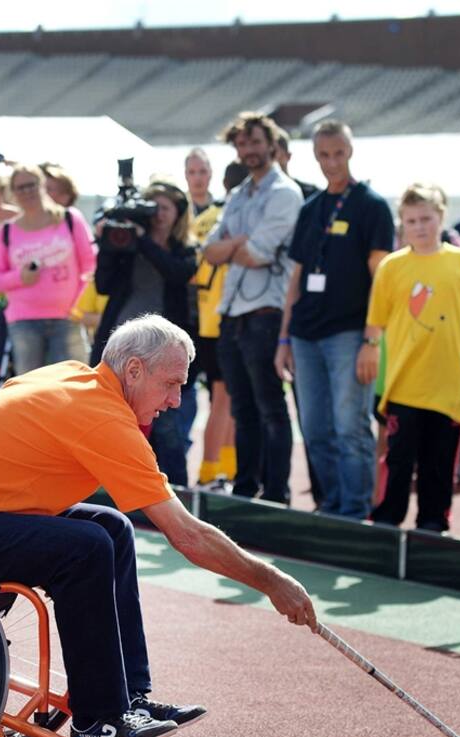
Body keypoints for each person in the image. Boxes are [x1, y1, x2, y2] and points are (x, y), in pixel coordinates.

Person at [0, 314, 318, 737]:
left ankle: (130, 699)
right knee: (84, 547)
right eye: (171, 383)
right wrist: (270, 581)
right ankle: (99, 719)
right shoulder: (101, 416)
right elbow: (188, 536)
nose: (177, 400)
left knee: (111, 526)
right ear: (133, 370)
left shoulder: (78, 378)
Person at [276, 120, 395, 521]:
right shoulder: (311, 208)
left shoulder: (373, 206)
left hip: (350, 333)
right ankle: (330, 507)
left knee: (350, 428)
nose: (331, 162)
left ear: (350, 151)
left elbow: (382, 277)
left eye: (338, 153)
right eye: (324, 155)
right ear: (314, 155)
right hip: (305, 335)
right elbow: (295, 277)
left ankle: (355, 513)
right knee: (315, 430)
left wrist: (372, 340)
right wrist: (283, 339)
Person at [361, 184, 460, 533]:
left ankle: (433, 524)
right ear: (402, 224)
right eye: (411, 220)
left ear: (441, 217)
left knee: (439, 461)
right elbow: (376, 322)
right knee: (399, 459)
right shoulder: (392, 267)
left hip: (449, 387)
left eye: (426, 219)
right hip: (404, 385)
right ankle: (387, 520)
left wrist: (457, 348)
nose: (419, 226)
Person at [204, 112, 303, 505]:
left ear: (272, 145)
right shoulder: (237, 195)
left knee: (270, 408)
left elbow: (257, 253)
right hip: (231, 314)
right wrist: (235, 246)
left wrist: (234, 246)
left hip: (266, 311)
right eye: (242, 144)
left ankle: (277, 493)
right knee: (242, 409)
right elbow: (210, 252)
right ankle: (246, 489)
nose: (249, 150)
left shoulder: (284, 192)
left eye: (255, 142)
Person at [92, 179, 198, 486]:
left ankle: (176, 495)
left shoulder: (184, 250)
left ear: (179, 212)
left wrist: (144, 242)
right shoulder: (126, 243)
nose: (159, 215)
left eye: (165, 208)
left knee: (168, 431)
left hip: (167, 355)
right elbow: (102, 285)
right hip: (122, 349)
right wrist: (109, 244)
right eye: (153, 208)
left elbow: (176, 272)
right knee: (112, 421)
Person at [0, 164, 96, 375]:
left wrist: (79, 305)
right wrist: (20, 277)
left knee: (73, 385)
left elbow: (90, 263)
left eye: (31, 185)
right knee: (31, 391)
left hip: (68, 318)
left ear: (42, 185)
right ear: (13, 192)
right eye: (20, 187)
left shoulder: (69, 219)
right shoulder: (8, 230)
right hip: (24, 321)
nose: (27, 191)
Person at [190, 153, 238, 486]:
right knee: (223, 400)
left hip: (210, 319)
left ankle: (223, 469)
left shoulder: (204, 218)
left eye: (202, 171)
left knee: (226, 399)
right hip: (219, 320)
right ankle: (211, 471)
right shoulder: (221, 218)